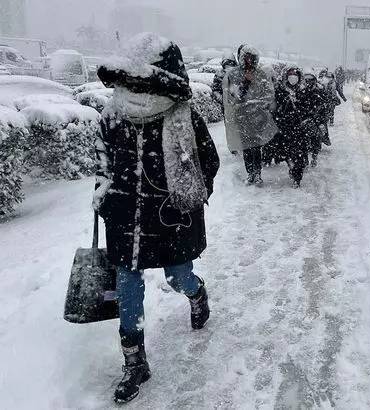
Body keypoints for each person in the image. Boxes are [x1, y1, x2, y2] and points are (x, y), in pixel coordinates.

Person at [93, 32, 220, 404]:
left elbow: (207, 164)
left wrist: (188, 199)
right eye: (131, 80)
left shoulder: (183, 117)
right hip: (125, 218)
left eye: (143, 80)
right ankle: (134, 362)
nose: (135, 87)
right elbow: (102, 161)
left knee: (177, 276)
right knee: (127, 285)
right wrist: (104, 194)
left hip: (170, 218)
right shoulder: (112, 114)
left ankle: (197, 293)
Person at [222, 44, 278, 185]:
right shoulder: (234, 74)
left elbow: (268, 94)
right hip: (241, 116)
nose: (248, 61)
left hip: (258, 116)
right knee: (246, 146)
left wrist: (259, 105)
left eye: (251, 58)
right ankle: (250, 173)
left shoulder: (260, 73)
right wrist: (245, 83)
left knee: (256, 147)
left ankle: (257, 174)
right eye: (246, 58)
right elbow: (233, 96)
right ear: (241, 58)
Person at [273, 66, 307, 187]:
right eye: (290, 75)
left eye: (295, 75)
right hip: (285, 127)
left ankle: (297, 177)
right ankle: (292, 168)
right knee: (288, 153)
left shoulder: (304, 91)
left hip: (300, 128)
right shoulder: (281, 90)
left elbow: (308, 108)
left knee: (299, 154)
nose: (293, 77)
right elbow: (276, 108)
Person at [299, 71, 326, 168]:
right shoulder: (301, 92)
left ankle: (314, 157)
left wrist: (320, 120)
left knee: (316, 141)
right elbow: (299, 106)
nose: (308, 82)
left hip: (316, 121)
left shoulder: (319, 91)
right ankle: (305, 160)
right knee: (303, 142)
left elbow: (323, 107)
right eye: (307, 80)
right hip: (305, 120)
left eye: (310, 80)